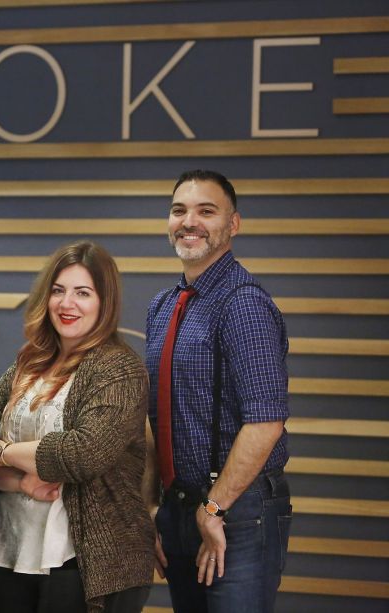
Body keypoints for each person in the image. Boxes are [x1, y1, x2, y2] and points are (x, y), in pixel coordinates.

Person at [0, 240, 153, 613]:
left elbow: (83, 453)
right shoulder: (27, 366)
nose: (66, 303)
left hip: (89, 560)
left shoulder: (118, 368)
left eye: (82, 293)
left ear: (105, 303)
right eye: (58, 291)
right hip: (10, 548)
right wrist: (19, 479)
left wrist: (5, 452)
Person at [145, 169, 291, 612]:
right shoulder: (163, 306)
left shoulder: (243, 303)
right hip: (180, 508)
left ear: (234, 224)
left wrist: (214, 509)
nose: (189, 222)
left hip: (237, 512)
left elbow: (266, 421)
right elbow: (156, 418)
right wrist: (155, 506)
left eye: (206, 211)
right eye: (179, 211)